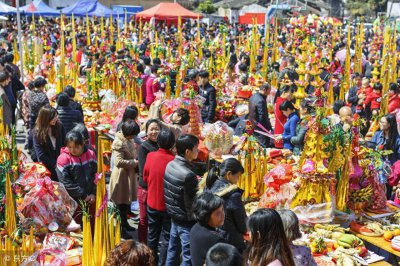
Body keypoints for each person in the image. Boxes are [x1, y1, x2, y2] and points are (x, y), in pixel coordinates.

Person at [164, 134, 200, 266]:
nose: (198, 151)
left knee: (173, 251)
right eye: (196, 149)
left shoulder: (170, 164)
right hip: (186, 220)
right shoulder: (188, 175)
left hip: (174, 215)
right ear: (187, 152)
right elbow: (193, 202)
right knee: (188, 256)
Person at [143, 128, 175, 265]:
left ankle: (151, 262)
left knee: (153, 235)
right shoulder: (174, 160)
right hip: (167, 205)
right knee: (167, 236)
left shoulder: (150, 156)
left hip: (152, 202)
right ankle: (163, 262)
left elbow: (145, 177)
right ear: (173, 144)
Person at [205, 158, 247, 252]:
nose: (238, 180)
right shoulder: (233, 195)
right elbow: (242, 225)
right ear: (229, 174)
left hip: (213, 236)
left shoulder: (210, 185)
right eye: (238, 176)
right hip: (231, 241)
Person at [56, 131, 97, 228]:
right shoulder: (63, 159)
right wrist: (83, 195)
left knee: (91, 226)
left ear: (82, 144)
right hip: (73, 201)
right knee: (75, 228)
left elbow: (96, 175)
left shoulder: (91, 154)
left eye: (76, 147)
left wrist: (93, 193)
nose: (73, 150)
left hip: (91, 199)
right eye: (69, 147)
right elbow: (65, 183)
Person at [109, 120, 140, 239]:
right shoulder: (119, 142)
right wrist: (134, 162)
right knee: (121, 205)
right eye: (133, 134)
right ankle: (121, 229)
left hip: (128, 174)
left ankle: (125, 224)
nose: (134, 137)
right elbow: (118, 161)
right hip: (121, 177)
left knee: (126, 204)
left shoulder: (128, 139)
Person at [137, 119, 161, 243]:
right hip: (146, 188)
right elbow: (142, 172)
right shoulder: (143, 147)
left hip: (156, 188)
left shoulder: (162, 146)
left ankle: (150, 244)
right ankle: (142, 244)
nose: (154, 132)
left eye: (157, 129)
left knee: (153, 220)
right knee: (144, 219)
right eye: (151, 129)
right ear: (146, 131)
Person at [190, 192, 227, 266]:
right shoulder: (216, 240)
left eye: (222, 209)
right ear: (206, 216)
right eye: (218, 213)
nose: (223, 215)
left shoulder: (195, 227)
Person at [32, 107, 65, 180]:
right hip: (46, 168)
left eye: (56, 116)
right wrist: (54, 164)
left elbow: (64, 144)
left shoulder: (59, 126)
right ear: (46, 118)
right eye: (53, 117)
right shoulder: (37, 132)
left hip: (61, 166)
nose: (56, 118)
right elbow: (41, 155)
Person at [372, 114, 400, 198]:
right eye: (380, 121)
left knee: (386, 194)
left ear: (389, 124)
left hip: (390, 171)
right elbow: (371, 149)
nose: (379, 123)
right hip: (376, 168)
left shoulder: (397, 139)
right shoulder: (377, 135)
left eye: (382, 122)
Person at [248, 83, 272, 148]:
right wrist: (267, 128)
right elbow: (262, 116)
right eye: (269, 91)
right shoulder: (261, 100)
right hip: (260, 128)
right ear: (264, 90)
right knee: (262, 146)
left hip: (253, 124)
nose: (269, 93)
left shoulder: (253, 96)